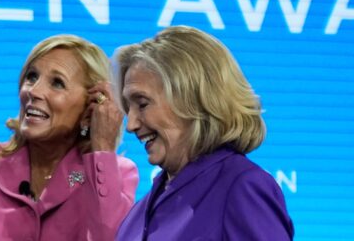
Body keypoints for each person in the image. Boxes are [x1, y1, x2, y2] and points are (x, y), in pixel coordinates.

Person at [0, 34, 139, 240]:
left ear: (90, 107)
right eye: (31, 77)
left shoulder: (117, 173)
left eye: (57, 83)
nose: (33, 91)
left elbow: (110, 236)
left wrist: (102, 147)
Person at [114, 26, 294, 240]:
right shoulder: (139, 212)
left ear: (192, 99)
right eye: (128, 108)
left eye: (142, 104)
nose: (131, 124)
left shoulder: (241, 188)